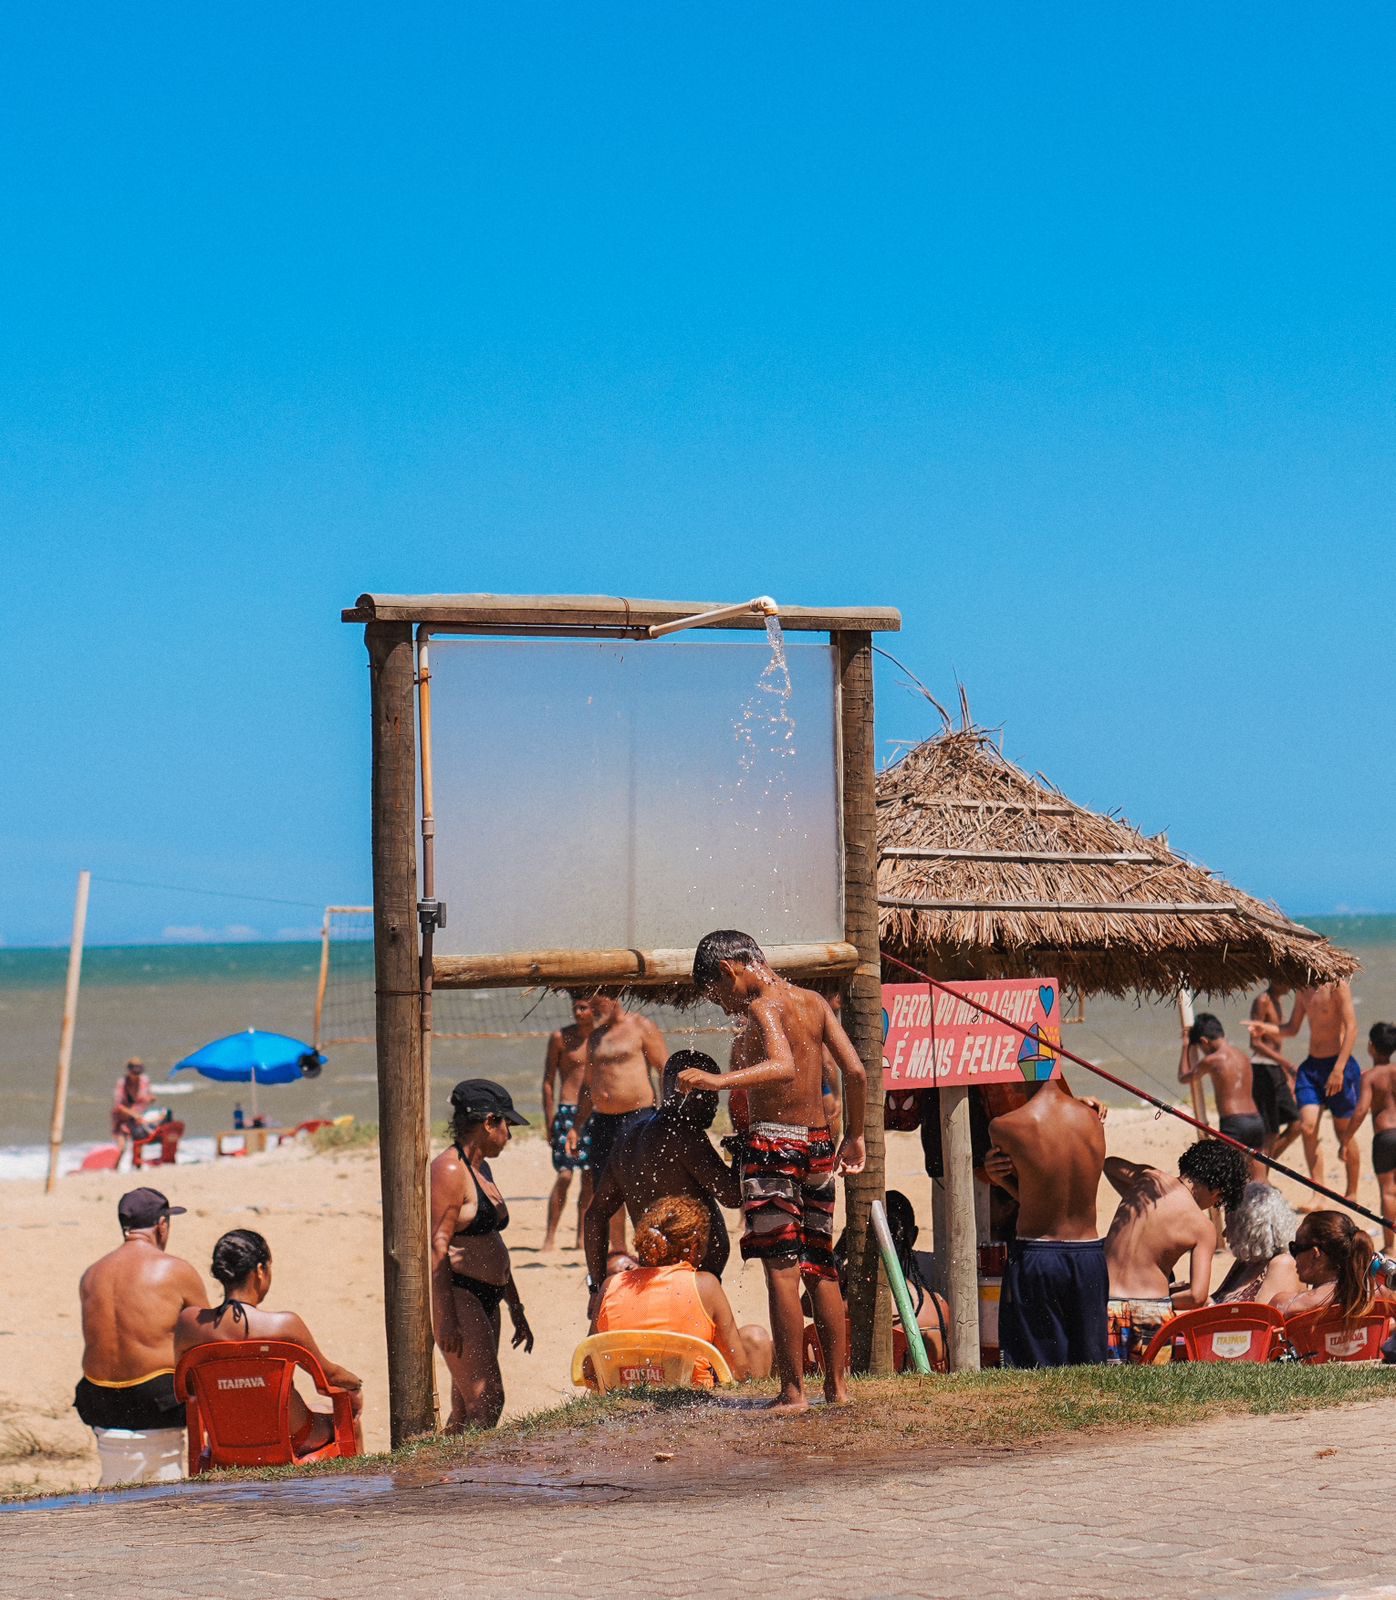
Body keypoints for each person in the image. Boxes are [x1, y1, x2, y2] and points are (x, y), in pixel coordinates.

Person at [682, 929, 866, 1413]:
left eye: (719, 994)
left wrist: (718, 1080)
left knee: (781, 1272)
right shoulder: (813, 1002)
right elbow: (857, 1072)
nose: (724, 1007)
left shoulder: (762, 1007)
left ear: (730, 969)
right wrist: (858, 1135)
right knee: (821, 1266)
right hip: (820, 1145)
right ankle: (838, 1390)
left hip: (773, 1146)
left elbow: (783, 1066)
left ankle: (792, 1392)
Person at [174, 1229, 364, 1455]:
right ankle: (357, 1489)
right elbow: (330, 1377)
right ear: (260, 1271)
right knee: (349, 1421)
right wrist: (355, 1385)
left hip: (225, 1444)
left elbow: (187, 1386)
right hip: (293, 1439)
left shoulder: (189, 1324)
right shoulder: (283, 1325)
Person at [584, 1049, 739, 1294]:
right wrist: (741, 1153)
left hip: (652, 1276)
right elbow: (733, 1196)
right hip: (692, 1279)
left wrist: (597, 1286)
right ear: (692, 1090)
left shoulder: (628, 1138)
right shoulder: (683, 1133)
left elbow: (595, 1216)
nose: (714, 1104)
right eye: (710, 1092)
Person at [429, 1079, 534, 1430]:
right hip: (461, 1293)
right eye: (508, 1124)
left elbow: (492, 1243)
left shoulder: (481, 1168)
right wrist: (444, 1316)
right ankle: (473, 1482)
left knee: (465, 1412)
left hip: (491, 1294)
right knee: (487, 1401)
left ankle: (449, 1481)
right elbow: (437, 1244)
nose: (510, 1134)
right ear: (490, 1121)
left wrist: (515, 1306)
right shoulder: (449, 1169)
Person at [983, 1078, 1107, 1368]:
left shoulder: (1004, 1127)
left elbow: (1035, 1199)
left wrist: (1000, 1179)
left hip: (1039, 1255)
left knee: (1038, 1368)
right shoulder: (1092, 1118)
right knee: (1091, 1368)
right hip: (1089, 1254)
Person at [75, 1188, 208, 1453]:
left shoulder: (91, 1274)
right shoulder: (175, 1269)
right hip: (158, 1402)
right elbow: (207, 1336)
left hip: (98, 1403)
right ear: (161, 1226)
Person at [591, 1195, 773, 1383]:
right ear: (694, 1247)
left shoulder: (611, 1285)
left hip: (623, 1390)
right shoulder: (705, 1285)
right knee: (755, 1337)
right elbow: (739, 1369)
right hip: (692, 1400)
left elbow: (590, 1367)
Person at [1102, 1139, 1250, 1359]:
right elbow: (1197, 1297)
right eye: (1219, 1201)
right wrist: (1167, 1295)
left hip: (1102, 1299)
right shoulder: (1202, 1227)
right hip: (1149, 1312)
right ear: (1218, 1191)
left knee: (1101, 1387)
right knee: (1149, 1388)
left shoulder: (1148, 1180)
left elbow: (1110, 1164)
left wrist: (1135, 1197)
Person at [567, 994, 667, 1253]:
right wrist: (577, 1126)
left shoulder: (640, 1026)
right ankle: (619, 1251)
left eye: (597, 1003)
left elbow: (664, 1069)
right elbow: (588, 1086)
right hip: (602, 1122)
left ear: (613, 998)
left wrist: (669, 1115)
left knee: (642, 1186)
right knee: (606, 1188)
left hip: (638, 1117)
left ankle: (650, 1246)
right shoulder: (596, 1036)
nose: (592, 1009)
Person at [1249, 980, 1362, 1200]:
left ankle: (1352, 1191)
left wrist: (1339, 1069)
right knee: (1307, 1128)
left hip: (1340, 1065)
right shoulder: (1302, 988)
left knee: (1344, 1133)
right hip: (1312, 1068)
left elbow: (1352, 1028)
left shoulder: (1338, 985)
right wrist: (1266, 1028)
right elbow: (1292, 1028)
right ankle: (1318, 1193)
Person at [1179, 1015, 1267, 1179]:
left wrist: (1185, 1046)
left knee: (1225, 1179)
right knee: (1260, 1179)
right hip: (1256, 1120)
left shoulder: (1213, 1060)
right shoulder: (1243, 1056)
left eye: (1200, 1046)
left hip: (1234, 1124)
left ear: (1204, 1041)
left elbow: (1184, 1077)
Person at [541, 996, 596, 1252]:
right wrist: (548, 1119)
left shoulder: (602, 1038)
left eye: (583, 1007)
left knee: (589, 1178)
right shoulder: (560, 1037)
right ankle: (550, 1236)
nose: (578, 1011)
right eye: (575, 1007)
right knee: (564, 1174)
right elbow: (548, 1081)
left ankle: (580, 1237)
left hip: (594, 1113)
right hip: (566, 1110)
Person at [1273, 1208, 1377, 1320]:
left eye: (1295, 1248)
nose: (1294, 1257)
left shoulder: (1285, 1306)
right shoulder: (1377, 1297)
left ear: (1315, 1254)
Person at [1212, 1182, 1302, 1305]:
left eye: (1230, 1226)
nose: (1224, 1233)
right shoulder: (1246, 1262)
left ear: (1249, 1230)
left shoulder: (1283, 1264)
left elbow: (1264, 1318)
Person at [1249, 982, 1302, 1160]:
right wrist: (1286, 1064)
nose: (1290, 983)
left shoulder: (1277, 1001)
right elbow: (1255, 1042)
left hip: (1275, 1068)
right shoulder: (1262, 1001)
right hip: (1262, 1068)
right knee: (1270, 1130)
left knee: (1296, 1123)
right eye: (1285, 978)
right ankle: (1259, 1173)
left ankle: (1262, 1169)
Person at [1356, 1021, 1396, 1254]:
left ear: (1371, 1046)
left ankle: (1390, 1246)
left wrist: (1347, 1137)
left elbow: (1361, 1110)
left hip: (1384, 1137)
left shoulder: (1370, 1076)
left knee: (1389, 1191)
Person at [111, 1057, 156, 1167]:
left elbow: (148, 1096)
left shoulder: (144, 1081)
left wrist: (150, 1099)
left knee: (138, 1144)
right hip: (122, 1119)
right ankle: (115, 1169)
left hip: (138, 1118)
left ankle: (136, 1167)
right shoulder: (122, 1083)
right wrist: (133, 1114)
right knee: (122, 1147)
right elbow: (118, 1105)